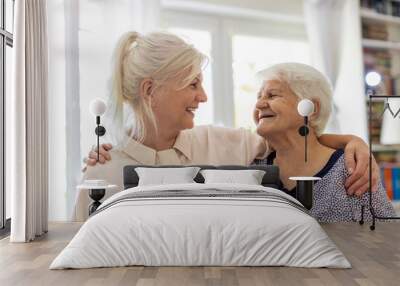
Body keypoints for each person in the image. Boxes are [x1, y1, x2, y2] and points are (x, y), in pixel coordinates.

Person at [76, 31, 378, 221]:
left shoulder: (220, 142)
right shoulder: (101, 170)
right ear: (150, 90)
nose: (203, 96)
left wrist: (352, 142)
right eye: (192, 84)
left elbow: (293, 138)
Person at [252, 63, 395, 222]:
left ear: (311, 110)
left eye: (272, 95)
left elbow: (386, 236)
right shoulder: (250, 163)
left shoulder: (351, 168)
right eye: (259, 97)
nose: (259, 104)